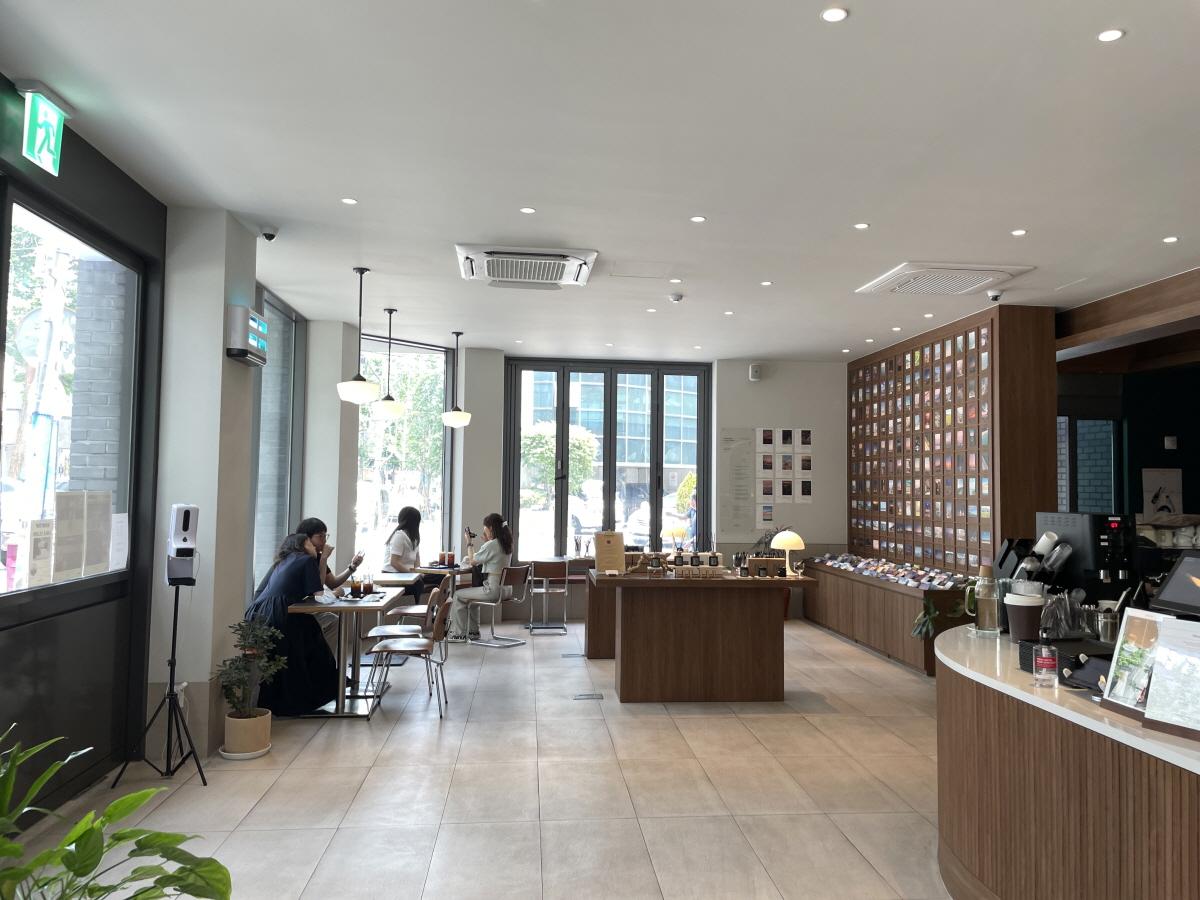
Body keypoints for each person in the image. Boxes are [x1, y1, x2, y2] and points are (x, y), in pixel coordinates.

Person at [245, 533, 338, 716]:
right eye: (310, 544)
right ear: (302, 545)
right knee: (314, 637)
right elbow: (319, 596)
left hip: (259, 613)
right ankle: (313, 695)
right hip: (282, 614)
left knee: (309, 630)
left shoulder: (282, 562)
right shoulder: (306, 560)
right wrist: (336, 593)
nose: (315, 547)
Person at [449, 513, 513, 642]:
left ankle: (458, 634)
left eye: (485, 529)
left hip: (493, 591)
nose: (485, 532)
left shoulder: (492, 544)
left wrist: (469, 542)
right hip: (506, 590)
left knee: (458, 595)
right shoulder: (507, 544)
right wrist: (486, 543)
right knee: (471, 599)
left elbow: (473, 560)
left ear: (491, 528)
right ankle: (473, 632)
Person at [381, 507, 440, 597]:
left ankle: (440, 604)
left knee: (440, 576)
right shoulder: (400, 536)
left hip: (408, 575)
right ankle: (418, 605)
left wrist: (420, 572)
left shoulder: (414, 539)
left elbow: (417, 562)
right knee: (418, 584)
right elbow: (394, 562)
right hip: (392, 575)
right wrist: (413, 574)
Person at [295, 517, 363, 593]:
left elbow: (332, 583)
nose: (324, 540)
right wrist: (324, 558)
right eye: (320, 536)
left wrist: (353, 566)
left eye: (325, 536)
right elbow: (317, 590)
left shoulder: (317, 556)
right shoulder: (300, 558)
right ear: (306, 539)